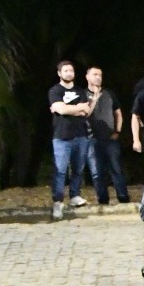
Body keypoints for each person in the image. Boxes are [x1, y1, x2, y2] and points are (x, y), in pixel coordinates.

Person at [48, 60, 91, 219]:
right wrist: (73, 109)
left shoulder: (80, 91)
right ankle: (58, 202)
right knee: (60, 171)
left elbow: (85, 110)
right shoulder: (55, 91)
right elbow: (60, 108)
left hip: (81, 135)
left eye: (71, 70)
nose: (69, 73)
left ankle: (74, 195)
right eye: (65, 71)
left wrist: (66, 110)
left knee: (78, 169)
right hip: (61, 137)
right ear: (59, 73)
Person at [84, 66, 130, 206]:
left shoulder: (109, 94)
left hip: (110, 138)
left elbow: (118, 113)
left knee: (116, 168)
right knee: (97, 172)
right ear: (87, 77)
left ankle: (123, 197)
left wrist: (117, 131)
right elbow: (85, 113)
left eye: (100, 75)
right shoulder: (82, 94)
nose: (98, 77)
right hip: (91, 139)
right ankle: (103, 200)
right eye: (95, 74)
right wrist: (95, 98)